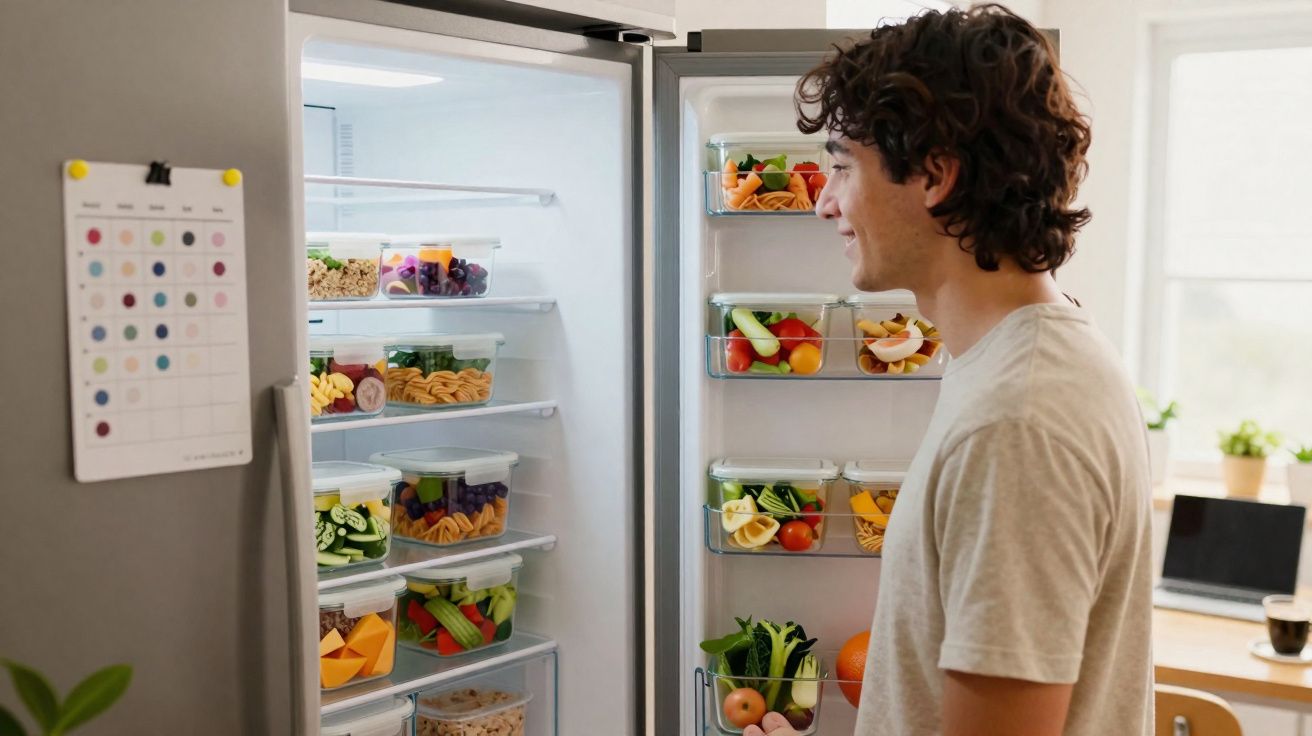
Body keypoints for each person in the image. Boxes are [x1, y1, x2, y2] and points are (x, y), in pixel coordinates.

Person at [792, 5, 1154, 735]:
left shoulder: (1017, 419)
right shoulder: (1015, 367)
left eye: (841, 166)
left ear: (935, 175)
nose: (825, 201)